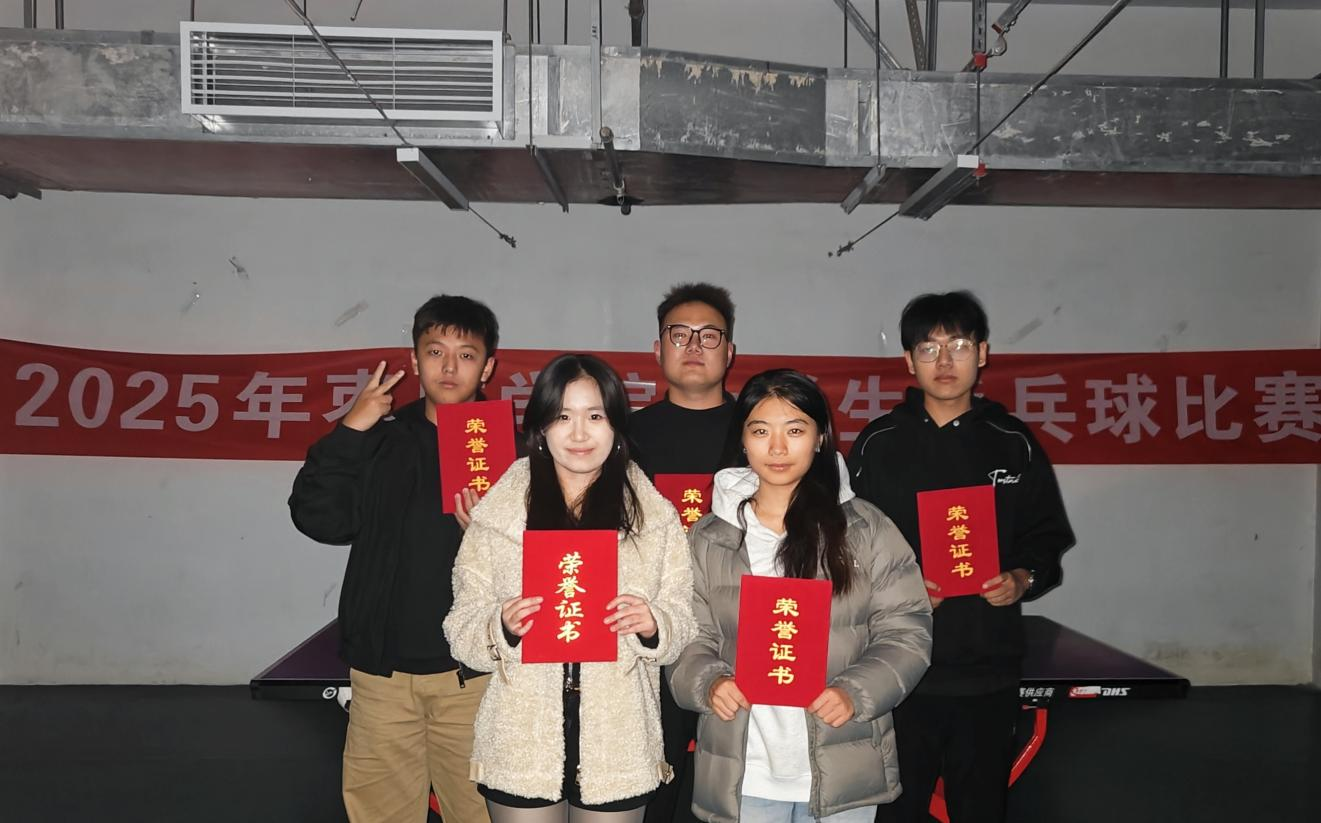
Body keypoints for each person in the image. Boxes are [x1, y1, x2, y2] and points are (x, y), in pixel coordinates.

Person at [849, 291, 1076, 823]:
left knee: (980, 808)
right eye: (928, 349)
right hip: (896, 669)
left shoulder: (1013, 442)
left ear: (983, 353)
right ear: (908, 361)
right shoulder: (878, 444)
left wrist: (1022, 578)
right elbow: (845, 548)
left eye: (959, 345)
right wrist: (897, 592)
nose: (945, 361)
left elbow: (1046, 536)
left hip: (987, 668)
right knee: (896, 811)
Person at [669, 369, 933, 823]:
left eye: (794, 430)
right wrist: (708, 682)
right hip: (744, 771)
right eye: (760, 431)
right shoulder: (709, 537)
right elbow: (686, 635)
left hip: (844, 763)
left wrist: (856, 692)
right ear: (742, 440)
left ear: (819, 438)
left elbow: (907, 630)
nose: (777, 448)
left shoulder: (865, 528)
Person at [444, 354, 698, 823]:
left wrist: (653, 624)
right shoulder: (498, 515)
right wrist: (501, 625)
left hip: (618, 739)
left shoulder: (654, 517)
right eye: (563, 417)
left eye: (595, 416)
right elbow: (461, 628)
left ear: (616, 426)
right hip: (522, 737)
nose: (580, 434)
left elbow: (684, 617)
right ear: (541, 427)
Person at [289, 294, 501, 823]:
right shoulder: (380, 441)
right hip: (383, 675)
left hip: (476, 677)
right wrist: (351, 430)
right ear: (414, 360)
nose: (449, 367)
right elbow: (320, 519)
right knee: (381, 814)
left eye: (466, 355)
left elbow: (545, 561)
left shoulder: (513, 452)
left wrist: (493, 536)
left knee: (483, 813)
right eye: (435, 351)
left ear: (487, 367)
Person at [630, 282, 736, 823]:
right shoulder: (623, 437)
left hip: (737, 640)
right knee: (652, 784)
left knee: (733, 790)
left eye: (708, 335)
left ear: (730, 351)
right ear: (658, 349)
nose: (694, 345)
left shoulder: (760, 432)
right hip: (648, 640)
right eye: (680, 334)